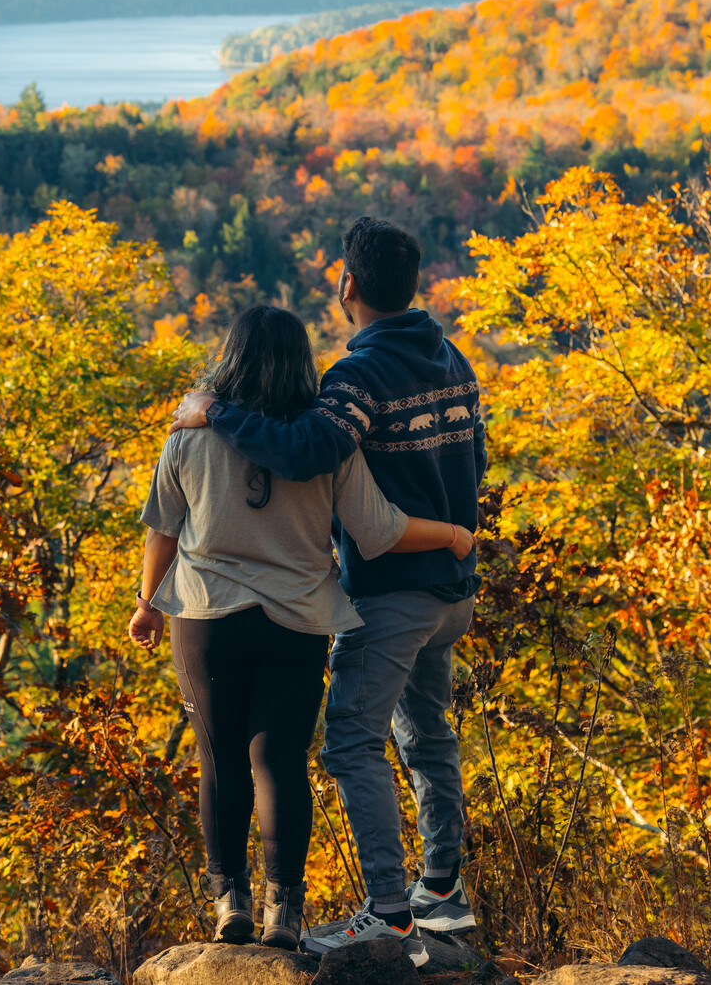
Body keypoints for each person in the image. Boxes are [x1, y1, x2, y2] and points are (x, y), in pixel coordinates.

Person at [171, 217, 486, 956]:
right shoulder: (453, 360)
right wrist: (450, 534)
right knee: (427, 733)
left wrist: (214, 410)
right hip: (451, 587)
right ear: (411, 287)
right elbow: (475, 460)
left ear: (348, 285)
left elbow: (308, 451)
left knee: (350, 743)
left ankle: (390, 912)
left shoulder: (356, 377)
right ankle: (440, 891)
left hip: (394, 589)